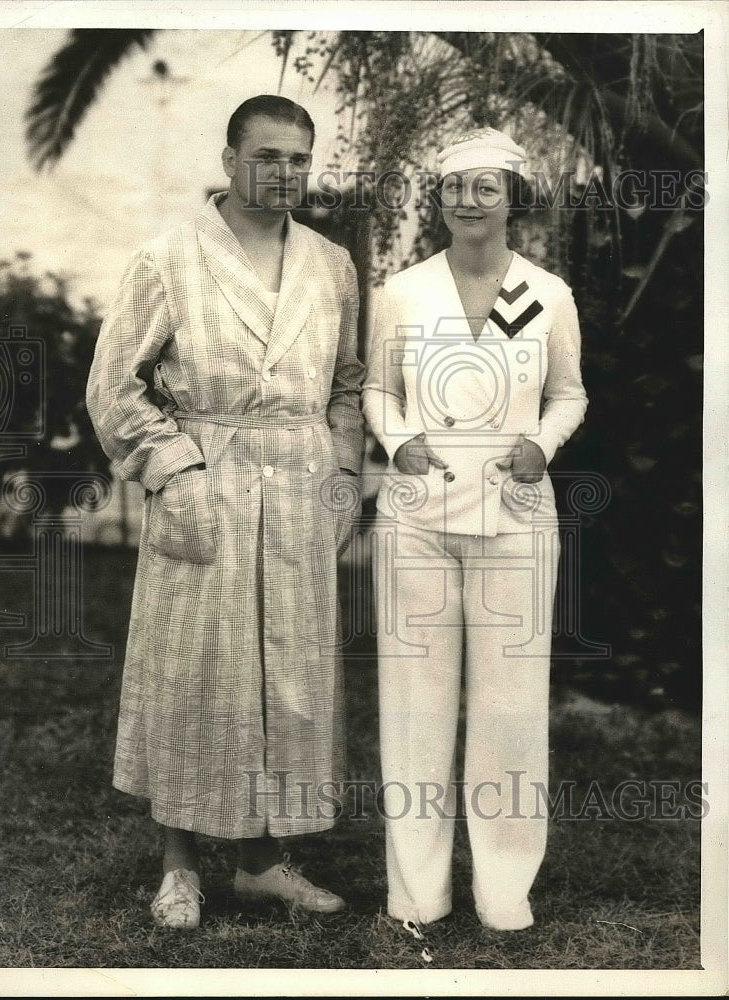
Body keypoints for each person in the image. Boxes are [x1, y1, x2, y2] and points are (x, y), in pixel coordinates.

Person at [87, 95, 364, 930]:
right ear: (229, 157)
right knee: (194, 677)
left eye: (298, 159)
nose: (284, 174)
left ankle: (260, 862)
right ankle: (177, 866)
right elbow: (113, 387)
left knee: (285, 678)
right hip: (206, 479)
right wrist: (176, 470)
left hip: (300, 488)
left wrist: (344, 473)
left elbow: (345, 385)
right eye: (268, 156)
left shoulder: (332, 264)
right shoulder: (168, 259)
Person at [363, 127, 588, 933]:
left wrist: (543, 443)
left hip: (516, 514)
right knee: (415, 705)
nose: (468, 202)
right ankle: (416, 891)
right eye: (455, 187)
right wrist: (398, 441)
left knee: (509, 709)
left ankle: (502, 889)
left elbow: (569, 393)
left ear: (511, 199)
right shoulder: (401, 290)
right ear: (439, 199)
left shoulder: (546, 293)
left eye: (485, 188)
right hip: (418, 514)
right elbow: (376, 392)